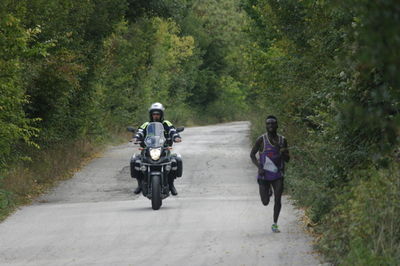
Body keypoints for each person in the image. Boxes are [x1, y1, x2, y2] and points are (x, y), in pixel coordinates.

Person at [131, 102, 182, 195]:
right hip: (148, 149)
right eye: (154, 114)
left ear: (161, 114)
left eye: (158, 114)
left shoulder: (166, 123)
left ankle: (171, 185)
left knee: (175, 161)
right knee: (135, 161)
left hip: (164, 149)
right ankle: (139, 184)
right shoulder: (146, 124)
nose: (156, 116)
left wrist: (176, 137)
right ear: (151, 115)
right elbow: (140, 131)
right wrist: (136, 137)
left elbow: (172, 130)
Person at [250, 115, 290, 233]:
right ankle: (268, 191)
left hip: (278, 174)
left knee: (278, 199)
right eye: (268, 124)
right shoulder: (261, 139)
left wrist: (283, 153)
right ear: (266, 126)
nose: (270, 126)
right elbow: (252, 155)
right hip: (264, 175)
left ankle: (275, 224)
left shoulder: (283, 140)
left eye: (273, 123)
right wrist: (259, 167)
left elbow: (287, 159)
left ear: (277, 125)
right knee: (265, 202)